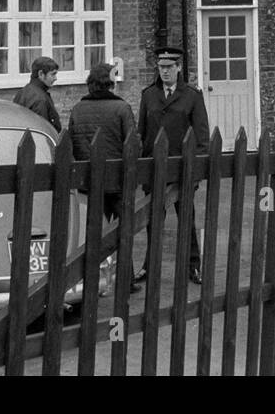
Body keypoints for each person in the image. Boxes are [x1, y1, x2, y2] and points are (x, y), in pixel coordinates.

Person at [137, 45, 210, 284]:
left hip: (182, 169)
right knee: (153, 220)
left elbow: (201, 135)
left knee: (186, 218)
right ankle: (150, 266)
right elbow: (142, 132)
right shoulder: (148, 95)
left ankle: (193, 266)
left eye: (169, 67)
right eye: (161, 67)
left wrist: (197, 172)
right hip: (155, 169)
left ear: (178, 68)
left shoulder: (191, 95)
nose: (165, 72)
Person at [67, 62, 139, 291]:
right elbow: (133, 144)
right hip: (117, 181)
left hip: (88, 183)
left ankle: (89, 280)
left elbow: (71, 145)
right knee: (123, 233)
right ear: (110, 84)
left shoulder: (78, 109)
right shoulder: (122, 109)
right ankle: (126, 280)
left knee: (90, 234)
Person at [13, 56, 61, 132]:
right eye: (53, 74)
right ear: (41, 74)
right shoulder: (40, 99)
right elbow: (42, 131)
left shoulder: (22, 92)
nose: (55, 78)